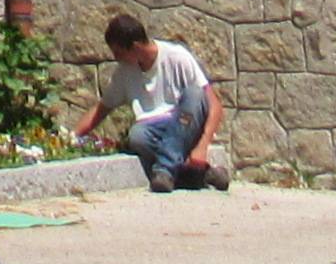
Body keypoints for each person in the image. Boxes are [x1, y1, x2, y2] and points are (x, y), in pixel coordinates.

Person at [75, 11, 230, 190]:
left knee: (194, 94)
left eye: (119, 52)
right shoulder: (124, 72)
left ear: (135, 47)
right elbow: (101, 110)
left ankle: (164, 170)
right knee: (138, 135)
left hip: (184, 122)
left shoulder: (177, 57)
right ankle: (199, 175)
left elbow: (214, 105)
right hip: (155, 130)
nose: (116, 58)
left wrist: (202, 146)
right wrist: (71, 138)